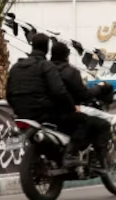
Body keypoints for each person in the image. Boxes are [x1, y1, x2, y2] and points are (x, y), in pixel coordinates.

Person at [6, 33, 88, 164]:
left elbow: (8, 94)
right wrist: (71, 108)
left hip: (20, 115)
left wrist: (19, 108)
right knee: (84, 121)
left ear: (32, 46)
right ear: (47, 49)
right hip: (44, 114)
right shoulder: (46, 66)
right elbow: (59, 92)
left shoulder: (15, 67)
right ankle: (71, 155)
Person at [50, 41, 113, 167]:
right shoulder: (70, 72)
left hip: (47, 115)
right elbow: (84, 95)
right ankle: (100, 163)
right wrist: (99, 87)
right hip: (65, 116)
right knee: (102, 125)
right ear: (66, 56)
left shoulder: (46, 70)